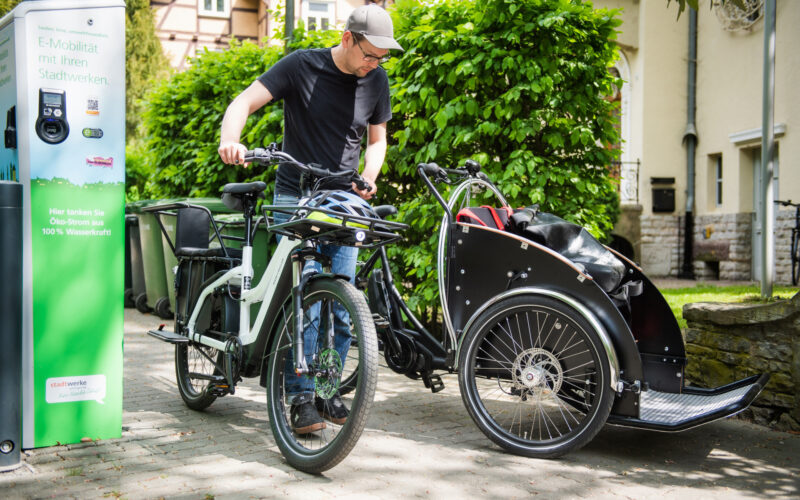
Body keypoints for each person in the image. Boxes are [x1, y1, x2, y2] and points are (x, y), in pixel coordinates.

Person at [218, 5, 403, 434]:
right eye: (370, 55)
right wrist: (232, 139)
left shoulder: (376, 78)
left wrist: (368, 178)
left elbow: (377, 141)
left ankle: (325, 387)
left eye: (382, 58)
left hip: (344, 198)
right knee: (306, 298)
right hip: (296, 193)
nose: (375, 64)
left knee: (341, 304)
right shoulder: (302, 66)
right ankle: (299, 396)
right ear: (346, 39)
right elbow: (243, 102)